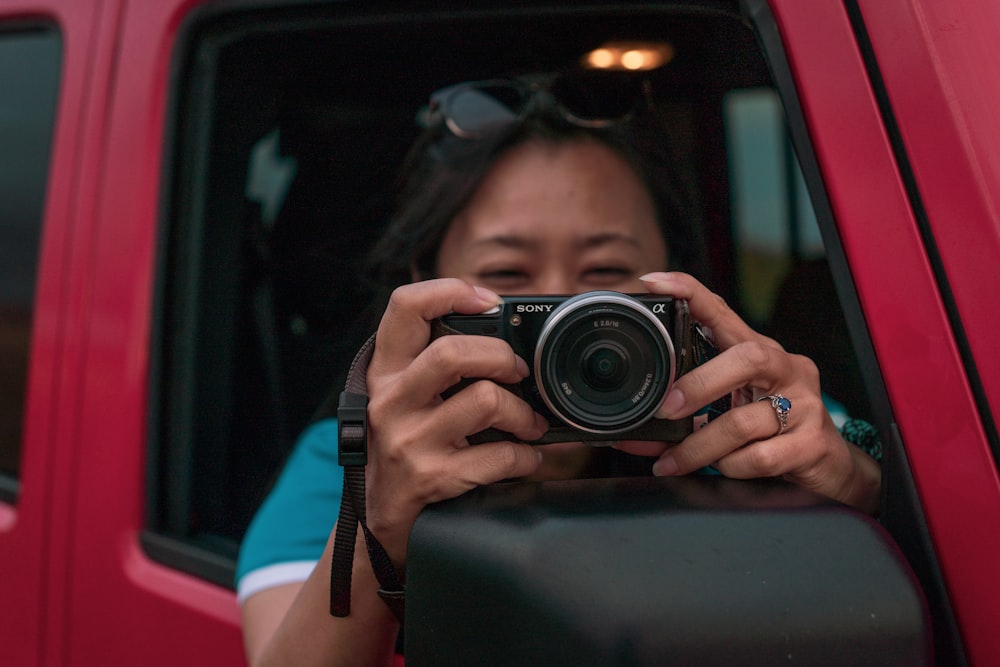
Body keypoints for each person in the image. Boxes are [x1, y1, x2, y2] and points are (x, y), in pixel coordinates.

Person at [236, 71, 882, 666]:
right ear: (426, 291)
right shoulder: (354, 461)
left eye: (604, 275)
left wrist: (852, 481)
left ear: (673, 283)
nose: (570, 315)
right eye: (509, 279)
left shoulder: (736, 418)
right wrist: (379, 520)